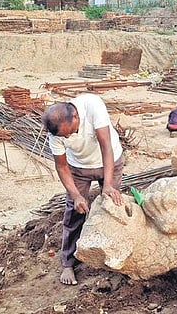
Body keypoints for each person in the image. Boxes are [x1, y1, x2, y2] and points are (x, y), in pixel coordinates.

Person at [42, 94, 124, 285]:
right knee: (73, 211)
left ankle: (112, 257)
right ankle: (68, 263)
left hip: (110, 160)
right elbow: (61, 166)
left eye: (69, 132)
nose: (68, 137)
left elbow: (106, 147)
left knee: (111, 207)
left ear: (76, 118)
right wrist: (77, 195)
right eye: (64, 136)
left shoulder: (92, 106)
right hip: (78, 168)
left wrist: (108, 185)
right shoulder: (56, 132)